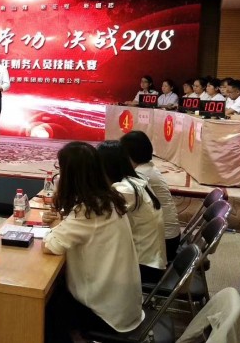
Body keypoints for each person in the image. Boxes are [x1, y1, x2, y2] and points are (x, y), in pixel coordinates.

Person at [42, 142, 144, 340]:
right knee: (56, 290)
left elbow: (51, 245)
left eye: (60, 169)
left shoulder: (88, 210)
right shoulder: (108, 200)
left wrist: (55, 225)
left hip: (106, 314)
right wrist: (59, 224)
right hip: (124, 305)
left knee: (43, 307)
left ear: (70, 175)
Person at [97, 141, 167, 282]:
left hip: (145, 266)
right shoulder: (134, 180)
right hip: (149, 260)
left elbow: (96, 219)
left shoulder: (126, 190)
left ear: (106, 166)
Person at [120, 130, 181, 261]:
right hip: (171, 236)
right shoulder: (148, 168)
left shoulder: (141, 175)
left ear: (129, 154)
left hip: (164, 242)